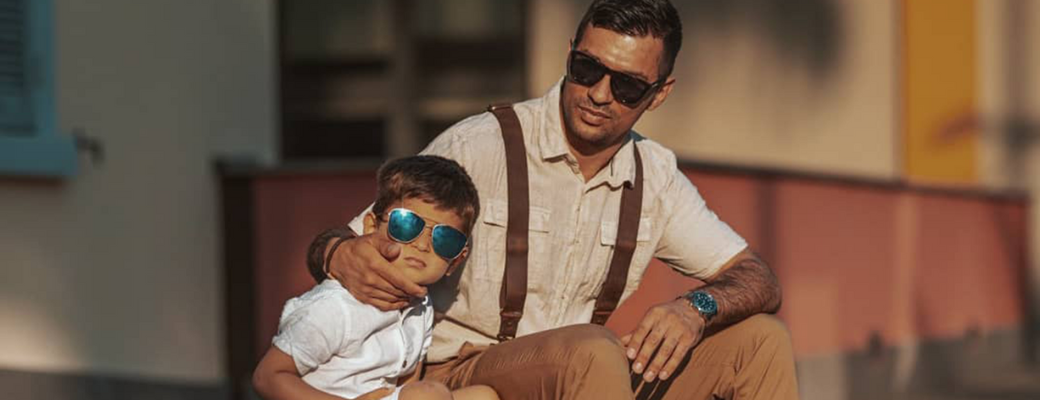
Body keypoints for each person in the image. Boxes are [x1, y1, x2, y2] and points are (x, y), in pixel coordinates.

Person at [308, 0, 799, 399]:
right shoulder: (481, 146)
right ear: (570, 54)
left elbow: (758, 278)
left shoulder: (656, 176)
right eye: (587, 68)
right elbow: (345, 242)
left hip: (585, 373)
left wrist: (697, 307)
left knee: (760, 342)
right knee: (593, 349)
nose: (600, 94)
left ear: (660, 92)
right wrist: (337, 254)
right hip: (466, 372)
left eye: (627, 85)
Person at [254, 156, 499, 400]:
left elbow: (406, 380)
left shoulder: (421, 307)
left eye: (444, 239)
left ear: (455, 261)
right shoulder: (336, 307)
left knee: (483, 396)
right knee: (429, 395)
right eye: (407, 225)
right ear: (371, 226)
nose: (422, 245)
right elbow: (268, 377)